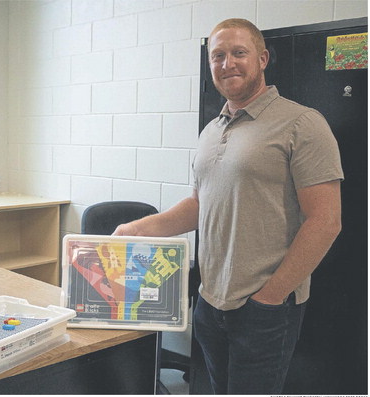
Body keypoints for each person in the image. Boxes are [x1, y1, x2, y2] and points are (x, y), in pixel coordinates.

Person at [113, 18, 343, 395]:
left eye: (239, 53)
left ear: (263, 58)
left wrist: (269, 298)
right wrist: (136, 229)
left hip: (266, 309)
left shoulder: (301, 123)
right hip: (209, 301)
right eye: (217, 55)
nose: (227, 63)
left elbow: (326, 220)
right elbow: (197, 206)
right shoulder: (212, 129)